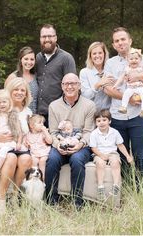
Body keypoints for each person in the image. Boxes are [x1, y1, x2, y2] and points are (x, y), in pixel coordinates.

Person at [104, 27, 143, 189]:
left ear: (130, 41)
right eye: (117, 41)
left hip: (138, 116)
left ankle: (141, 187)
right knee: (122, 153)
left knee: (139, 154)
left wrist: (141, 76)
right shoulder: (110, 63)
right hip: (117, 115)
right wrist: (126, 99)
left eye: (123, 39)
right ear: (114, 45)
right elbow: (107, 88)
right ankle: (127, 187)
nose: (120, 43)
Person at [0, 77, 32, 214]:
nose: (19, 93)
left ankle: (15, 196)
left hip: (18, 146)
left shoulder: (27, 112)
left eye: (22, 90)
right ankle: (1, 200)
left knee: (26, 159)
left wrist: (27, 140)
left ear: (26, 93)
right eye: (16, 89)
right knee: (11, 158)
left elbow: (29, 132)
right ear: (10, 91)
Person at [45, 73, 96, 209]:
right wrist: (57, 145)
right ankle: (51, 201)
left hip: (81, 144)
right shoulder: (54, 106)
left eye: (73, 83)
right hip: (60, 143)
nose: (70, 86)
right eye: (66, 84)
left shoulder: (89, 105)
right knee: (52, 159)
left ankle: (77, 202)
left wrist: (80, 145)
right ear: (62, 86)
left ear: (79, 85)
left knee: (77, 159)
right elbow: (53, 132)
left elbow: (88, 131)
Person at [36, 24, 77, 126]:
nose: (47, 39)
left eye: (50, 36)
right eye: (44, 37)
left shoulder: (66, 58)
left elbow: (72, 88)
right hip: (38, 115)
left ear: (55, 37)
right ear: (40, 39)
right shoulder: (37, 58)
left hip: (59, 114)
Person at [89, 109, 133, 201]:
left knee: (115, 162)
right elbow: (93, 148)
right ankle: (100, 187)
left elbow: (120, 145)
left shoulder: (115, 132)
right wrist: (101, 155)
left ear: (109, 121)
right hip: (99, 153)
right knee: (100, 164)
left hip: (112, 153)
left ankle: (116, 185)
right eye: (99, 121)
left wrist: (128, 156)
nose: (102, 123)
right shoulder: (94, 133)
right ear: (96, 123)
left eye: (104, 120)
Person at [113, 48, 143, 117]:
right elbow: (121, 78)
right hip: (131, 87)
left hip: (140, 87)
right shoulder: (127, 69)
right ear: (128, 60)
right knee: (126, 94)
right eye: (131, 59)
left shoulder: (142, 68)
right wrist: (116, 85)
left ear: (140, 59)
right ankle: (124, 107)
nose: (134, 61)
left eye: (136, 59)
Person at [79, 42, 113, 110]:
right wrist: (98, 85)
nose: (97, 56)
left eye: (100, 53)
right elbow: (85, 96)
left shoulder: (111, 70)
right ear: (90, 56)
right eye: (94, 53)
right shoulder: (84, 72)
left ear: (104, 54)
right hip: (91, 113)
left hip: (109, 114)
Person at [5, 46, 38, 114]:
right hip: (17, 114)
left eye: (32, 59)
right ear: (21, 60)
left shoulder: (36, 76)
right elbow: (6, 98)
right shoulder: (13, 77)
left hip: (34, 116)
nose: (29, 62)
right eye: (26, 59)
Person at [25, 114, 52, 180]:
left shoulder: (43, 133)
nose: (42, 124)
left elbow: (50, 141)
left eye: (42, 123)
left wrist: (45, 131)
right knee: (34, 162)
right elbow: (25, 141)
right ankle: (33, 179)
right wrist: (26, 144)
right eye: (39, 123)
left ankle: (42, 179)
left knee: (42, 161)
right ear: (32, 126)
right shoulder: (28, 134)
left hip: (44, 153)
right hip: (34, 154)